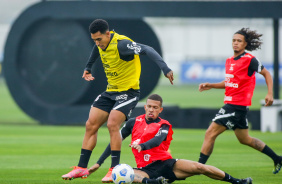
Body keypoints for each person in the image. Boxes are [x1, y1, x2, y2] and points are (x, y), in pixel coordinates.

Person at [62, 19, 174, 180]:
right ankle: (81, 167)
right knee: (90, 125)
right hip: (111, 91)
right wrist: (88, 67)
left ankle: (114, 169)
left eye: (99, 39)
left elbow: (148, 49)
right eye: (94, 40)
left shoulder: (122, 44)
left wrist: (165, 68)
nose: (97, 43)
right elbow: (96, 49)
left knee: (112, 123)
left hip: (128, 92)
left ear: (108, 34)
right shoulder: (101, 44)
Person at [88, 94, 253, 184]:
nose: (151, 110)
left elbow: (158, 141)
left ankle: (238, 182)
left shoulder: (164, 125)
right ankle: (155, 182)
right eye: (149, 107)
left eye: (155, 108)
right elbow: (114, 143)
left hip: (168, 164)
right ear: (145, 107)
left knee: (200, 167)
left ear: (160, 109)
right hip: (146, 169)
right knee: (126, 175)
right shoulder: (132, 123)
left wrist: (142, 145)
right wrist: (99, 162)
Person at [197, 28, 282, 174]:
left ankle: (198, 167)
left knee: (210, 133)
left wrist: (270, 93)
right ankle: (277, 158)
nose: (235, 43)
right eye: (234, 40)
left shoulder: (250, 60)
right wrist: (211, 85)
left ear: (245, 44)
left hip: (235, 106)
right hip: (236, 107)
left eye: (239, 41)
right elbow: (230, 82)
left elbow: (267, 73)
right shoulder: (229, 61)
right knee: (245, 139)